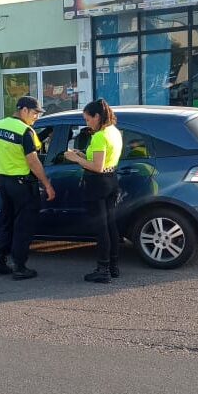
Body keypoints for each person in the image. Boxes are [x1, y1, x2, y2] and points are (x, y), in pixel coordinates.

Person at [0, 96, 55, 280]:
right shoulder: (25, 131)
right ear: (23, 110)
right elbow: (32, 160)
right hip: (23, 185)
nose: (36, 117)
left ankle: (0, 261)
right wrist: (47, 184)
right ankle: (19, 266)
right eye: (34, 113)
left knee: (7, 220)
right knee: (23, 225)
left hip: (3, 181)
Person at [64, 99, 122, 283]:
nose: (87, 123)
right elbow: (103, 160)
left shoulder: (99, 136)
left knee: (101, 227)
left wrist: (75, 158)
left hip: (98, 183)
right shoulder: (113, 131)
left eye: (88, 119)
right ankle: (113, 266)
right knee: (111, 225)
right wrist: (83, 154)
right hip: (111, 179)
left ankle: (102, 269)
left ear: (97, 116)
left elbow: (97, 166)